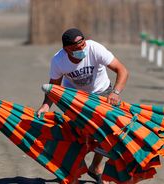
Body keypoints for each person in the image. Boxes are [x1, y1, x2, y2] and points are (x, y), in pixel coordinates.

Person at [37, 28, 129, 184]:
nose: (82, 48)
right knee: (76, 136)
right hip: (75, 98)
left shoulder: (94, 48)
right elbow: (54, 87)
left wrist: (116, 92)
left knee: (108, 132)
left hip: (103, 93)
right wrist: (45, 105)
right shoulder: (58, 60)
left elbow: (122, 70)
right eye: (77, 47)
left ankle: (96, 167)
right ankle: (74, 170)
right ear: (67, 49)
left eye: (83, 43)